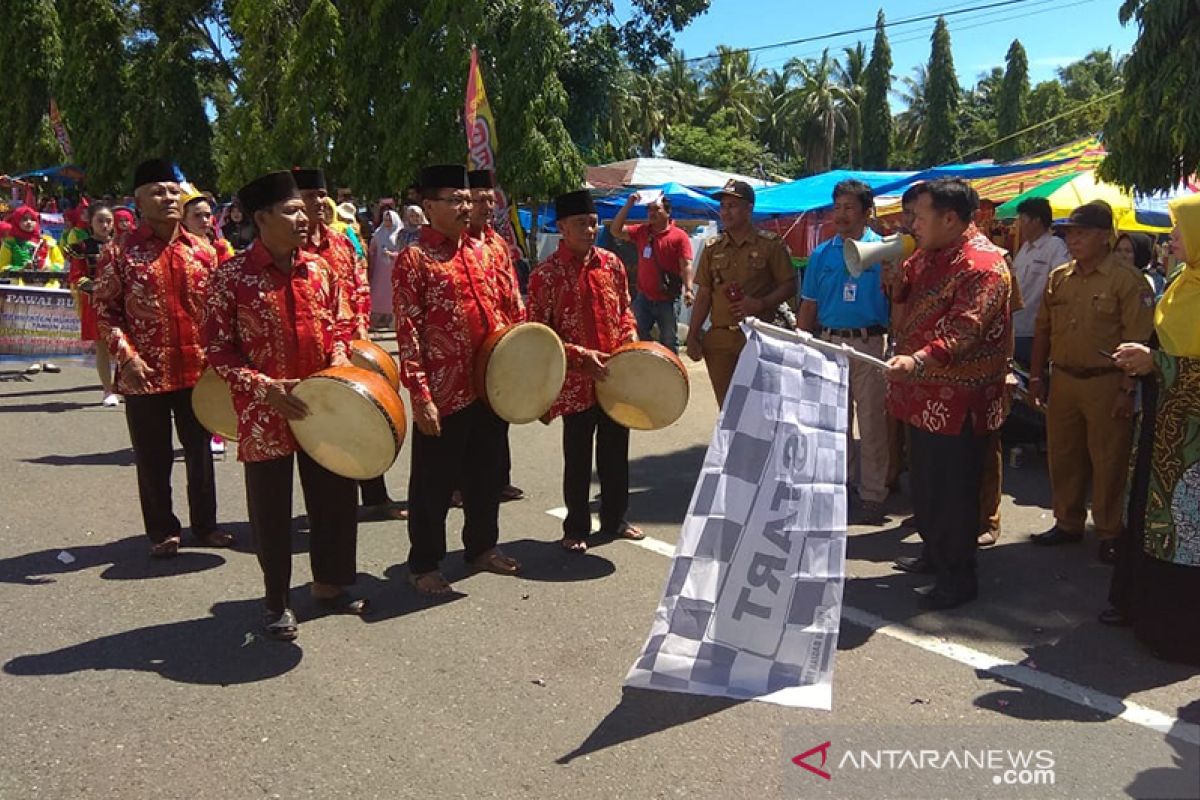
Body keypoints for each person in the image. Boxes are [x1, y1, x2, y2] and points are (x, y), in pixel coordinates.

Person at [204, 170, 367, 641]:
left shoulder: (320, 269)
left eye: (304, 208)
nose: (304, 217)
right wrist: (263, 387)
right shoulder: (231, 276)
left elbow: (340, 330)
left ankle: (330, 585)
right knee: (272, 512)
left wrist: (336, 367)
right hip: (265, 411)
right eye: (292, 210)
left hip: (322, 406)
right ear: (261, 218)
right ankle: (276, 600)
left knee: (334, 500)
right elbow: (217, 349)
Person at [392, 164, 523, 594]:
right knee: (434, 482)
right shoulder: (415, 259)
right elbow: (408, 333)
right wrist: (421, 396)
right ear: (428, 207)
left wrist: (527, 363)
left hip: (492, 383)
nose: (466, 206)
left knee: (486, 475)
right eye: (455, 199)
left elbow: (512, 308)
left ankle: (482, 548)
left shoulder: (490, 250)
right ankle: (424, 562)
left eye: (468, 199)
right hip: (445, 391)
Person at [92, 158, 230, 558]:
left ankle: (205, 525)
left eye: (173, 191)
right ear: (138, 199)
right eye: (158, 191)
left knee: (201, 453)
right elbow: (106, 313)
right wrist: (128, 357)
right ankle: (162, 531)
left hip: (198, 372)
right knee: (153, 459)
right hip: (143, 373)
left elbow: (219, 310)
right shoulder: (119, 253)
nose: (168, 198)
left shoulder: (203, 252)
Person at [885, 179, 1012, 610]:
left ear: (950, 218)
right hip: (922, 394)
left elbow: (966, 331)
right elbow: (903, 293)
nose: (911, 224)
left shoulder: (984, 264)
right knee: (925, 482)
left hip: (959, 400)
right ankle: (933, 552)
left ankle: (958, 577)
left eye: (919, 216)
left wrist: (918, 359)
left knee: (954, 489)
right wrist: (893, 275)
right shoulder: (928, 254)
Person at [1102, 196, 1200, 665]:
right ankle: (1138, 605)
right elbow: (1168, 339)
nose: (1172, 237)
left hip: (1192, 441)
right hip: (1161, 419)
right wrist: (1144, 354)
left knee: (1185, 523)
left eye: (1180, 229)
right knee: (1146, 507)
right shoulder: (1183, 281)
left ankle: (1178, 631)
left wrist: (1157, 362)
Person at [1027, 201, 1154, 564]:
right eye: (1069, 233)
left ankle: (1110, 531)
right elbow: (1043, 329)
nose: (1073, 240)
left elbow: (1138, 339)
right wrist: (1037, 376)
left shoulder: (1127, 281)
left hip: (1107, 382)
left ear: (1104, 237)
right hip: (1064, 378)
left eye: (1081, 233)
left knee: (1108, 460)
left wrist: (1128, 391)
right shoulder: (1060, 277)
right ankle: (1067, 522)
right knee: (1063, 455)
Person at [527, 190, 642, 552]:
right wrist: (578, 355)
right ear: (562, 227)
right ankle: (576, 528)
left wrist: (630, 339)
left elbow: (625, 310)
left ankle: (615, 518)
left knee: (615, 451)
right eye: (581, 224)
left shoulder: (611, 264)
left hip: (613, 377)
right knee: (577, 457)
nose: (590, 229)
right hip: (575, 381)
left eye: (593, 223)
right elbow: (537, 333)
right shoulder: (546, 275)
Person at [293, 167, 404, 522]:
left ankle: (375, 496)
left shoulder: (342, 242)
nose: (317, 203)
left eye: (320, 195)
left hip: (348, 346)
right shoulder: (289, 247)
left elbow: (360, 289)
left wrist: (360, 336)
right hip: (308, 355)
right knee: (320, 427)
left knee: (363, 419)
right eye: (309, 196)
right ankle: (324, 508)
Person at [796, 179, 891, 524]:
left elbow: (899, 300)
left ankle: (873, 492)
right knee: (834, 423)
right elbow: (809, 305)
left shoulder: (884, 250)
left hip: (869, 345)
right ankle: (841, 484)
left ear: (867, 212)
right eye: (837, 207)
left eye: (849, 207)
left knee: (871, 423)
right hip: (829, 343)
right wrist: (803, 345)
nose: (841, 214)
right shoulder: (822, 254)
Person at [685, 180, 795, 406]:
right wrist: (693, 333)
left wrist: (761, 303)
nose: (726, 211)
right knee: (727, 409)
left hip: (758, 336)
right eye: (723, 206)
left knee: (762, 406)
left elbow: (789, 285)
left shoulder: (770, 245)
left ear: (749, 209)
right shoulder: (712, 248)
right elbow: (704, 294)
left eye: (733, 205)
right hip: (720, 340)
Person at [466, 169, 526, 503]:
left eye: (490, 200)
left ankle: (498, 479)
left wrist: (519, 333)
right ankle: (460, 485)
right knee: (466, 426)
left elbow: (512, 291)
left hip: (500, 347)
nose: (486, 207)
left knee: (497, 417)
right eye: (479, 200)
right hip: (466, 352)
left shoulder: (497, 242)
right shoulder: (457, 246)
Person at [608, 192, 694, 353]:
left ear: (668, 212)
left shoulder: (679, 236)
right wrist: (629, 204)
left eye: (656, 209)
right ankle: (648, 364)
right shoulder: (642, 231)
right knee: (635, 334)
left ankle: (671, 375)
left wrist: (688, 290)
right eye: (649, 209)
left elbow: (686, 264)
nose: (651, 213)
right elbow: (615, 230)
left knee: (669, 339)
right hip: (644, 297)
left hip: (668, 299)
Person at [66, 203, 120, 406]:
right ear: (91, 222)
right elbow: (76, 276)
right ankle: (107, 390)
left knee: (124, 345)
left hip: (121, 302)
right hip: (95, 303)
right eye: (100, 221)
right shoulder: (81, 248)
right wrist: (98, 290)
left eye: (108, 221)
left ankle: (123, 387)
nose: (105, 225)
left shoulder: (121, 246)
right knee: (102, 347)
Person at [1010, 197, 1070, 367]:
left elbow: (1061, 283)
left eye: (1023, 220)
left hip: (1035, 331)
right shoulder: (1024, 249)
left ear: (1036, 221)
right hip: (1017, 327)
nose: (1020, 225)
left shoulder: (1055, 247)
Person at [1, 206, 64, 272]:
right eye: (24, 219)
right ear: (17, 222)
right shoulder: (10, 243)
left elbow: (59, 263)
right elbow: (2, 267)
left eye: (33, 219)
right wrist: (20, 269)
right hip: (18, 281)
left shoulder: (48, 241)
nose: (29, 222)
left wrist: (50, 269)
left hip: (49, 281)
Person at [368, 209, 401, 330]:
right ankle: (378, 319)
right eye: (385, 220)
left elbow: (403, 250)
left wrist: (392, 254)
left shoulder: (399, 233)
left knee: (392, 293)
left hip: (394, 268)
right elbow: (372, 249)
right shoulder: (378, 233)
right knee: (379, 292)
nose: (387, 222)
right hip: (380, 269)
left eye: (390, 220)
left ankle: (393, 320)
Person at [181, 190, 235, 264]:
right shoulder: (178, 249)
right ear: (183, 219)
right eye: (197, 215)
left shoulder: (220, 246)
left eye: (207, 215)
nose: (204, 220)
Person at [1114, 232, 1164, 297]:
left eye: (1128, 251)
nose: (1122, 255)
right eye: (1118, 250)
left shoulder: (1147, 283)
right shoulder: (1108, 279)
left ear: (1140, 255)